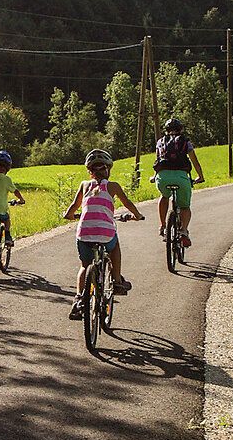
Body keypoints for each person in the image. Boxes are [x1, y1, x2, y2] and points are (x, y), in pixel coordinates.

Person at [62, 148, 140, 319]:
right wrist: (137, 215)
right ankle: (117, 281)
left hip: (84, 234)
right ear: (108, 169)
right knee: (115, 246)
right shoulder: (113, 186)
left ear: (90, 172)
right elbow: (128, 204)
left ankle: (78, 299)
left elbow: (73, 208)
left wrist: (70, 216)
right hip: (105, 234)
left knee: (84, 266)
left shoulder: (84, 185)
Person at [152, 116, 204, 247]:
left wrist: (154, 177)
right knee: (185, 207)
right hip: (181, 178)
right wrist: (200, 176)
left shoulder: (160, 142)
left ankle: (163, 226)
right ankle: (183, 232)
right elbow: (194, 161)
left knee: (164, 196)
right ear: (181, 129)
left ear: (166, 130)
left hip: (162, 178)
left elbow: (158, 161)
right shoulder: (185, 142)